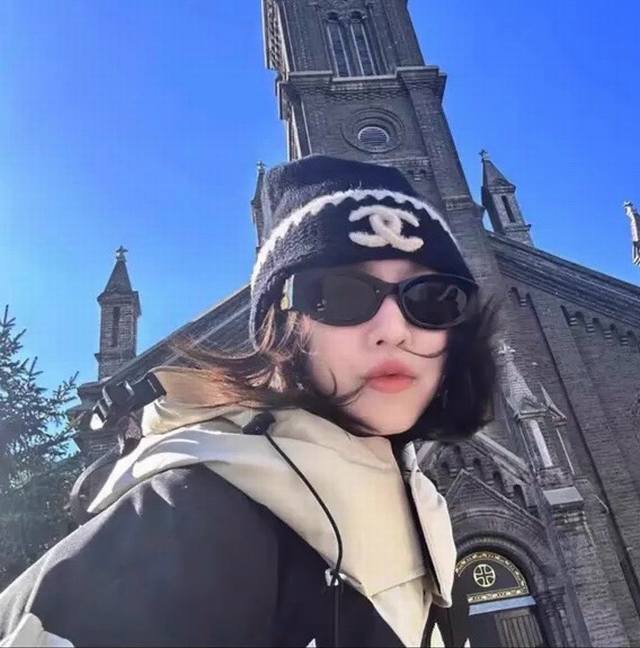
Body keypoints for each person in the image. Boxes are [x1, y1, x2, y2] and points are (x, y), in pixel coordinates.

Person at [0, 155, 497, 647]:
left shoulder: (421, 507)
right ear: (281, 326)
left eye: (432, 299)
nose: (394, 330)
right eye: (341, 294)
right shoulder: (192, 519)